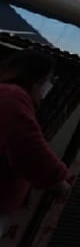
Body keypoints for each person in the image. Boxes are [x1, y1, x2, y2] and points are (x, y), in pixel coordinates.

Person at [0, 50, 72, 236]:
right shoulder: (12, 95)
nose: (49, 87)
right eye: (50, 80)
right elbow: (28, 148)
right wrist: (58, 180)